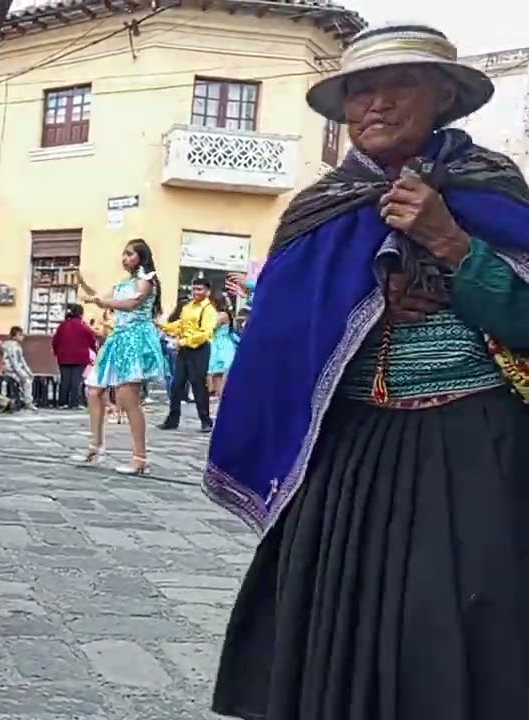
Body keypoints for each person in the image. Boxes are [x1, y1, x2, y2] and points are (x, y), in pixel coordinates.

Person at [208, 25, 529, 720]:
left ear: (444, 97)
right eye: (360, 90)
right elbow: (281, 341)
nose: (375, 104)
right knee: (335, 624)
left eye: (398, 85)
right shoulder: (317, 213)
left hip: (475, 447)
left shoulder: (496, 194)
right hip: (349, 456)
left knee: (461, 628)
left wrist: (451, 242)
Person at [79, 239, 165, 473]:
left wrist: (102, 301)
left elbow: (131, 303)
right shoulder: (123, 283)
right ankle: (95, 447)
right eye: (123, 254)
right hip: (117, 338)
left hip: (135, 340)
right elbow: (102, 298)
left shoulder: (147, 281)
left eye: (130, 254)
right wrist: (85, 287)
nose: (124, 258)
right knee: (94, 389)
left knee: (128, 400)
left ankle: (140, 458)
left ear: (141, 257)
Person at [159, 277, 216, 431]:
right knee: (176, 385)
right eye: (194, 289)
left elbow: (204, 334)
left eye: (200, 289)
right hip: (185, 350)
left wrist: (183, 342)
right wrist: (165, 327)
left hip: (200, 349)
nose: (196, 292)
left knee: (198, 385)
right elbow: (181, 325)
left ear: (207, 291)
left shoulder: (208, 310)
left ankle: (206, 421)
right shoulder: (187, 307)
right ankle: (172, 420)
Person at [51, 303, 94, 408]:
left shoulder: (62, 325)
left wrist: (57, 352)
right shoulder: (83, 325)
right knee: (76, 381)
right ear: (80, 313)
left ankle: (62, 402)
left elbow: (55, 341)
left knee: (64, 380)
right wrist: (94, 350)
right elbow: (91, 339)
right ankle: (74, 403)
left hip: (63, 357)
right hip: (80, 357)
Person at [208, 296, 238, 396]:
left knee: (224, 370)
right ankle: (219, 394)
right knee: (217, 372)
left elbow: (212, 326)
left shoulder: (222, 315)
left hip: (223, 344)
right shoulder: (218, 314)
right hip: (216, 343)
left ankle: (224, 394)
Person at [1, 326, 35, 410]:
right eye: (20, 335)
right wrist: (22, 375)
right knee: (26, 381)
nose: (22, 337)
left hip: (15, 370)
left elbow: (22, 361)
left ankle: (22, 399)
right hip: (9, 370)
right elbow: (14, 363)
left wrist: (29, 372)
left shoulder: (18, 346)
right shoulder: (11, 347)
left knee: (28, 378)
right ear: (14, 336)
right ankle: (28, 402)